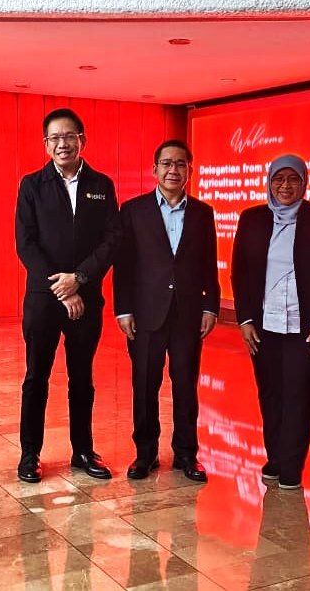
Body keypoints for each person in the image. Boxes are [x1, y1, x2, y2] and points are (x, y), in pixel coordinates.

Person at [15, 108, 121, 483]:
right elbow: (26, 244)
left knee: (82, 379)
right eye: (55, 138)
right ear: (46, 144)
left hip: (86, 299)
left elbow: (111, 240)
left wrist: (79, 279)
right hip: (44, 300)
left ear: (82, 140)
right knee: (36, 378)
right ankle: (30, 454)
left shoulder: (101, 184)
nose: (63, 144)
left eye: (69, 136)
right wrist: (62, 288)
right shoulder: (32, 185)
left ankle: (83, 451)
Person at [231, 153, 310, 490]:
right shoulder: (252, 219)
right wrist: (245, 318)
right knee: (270, 392)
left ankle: (293, 465)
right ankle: (276, 458)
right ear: (269, 182)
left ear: (304, 182)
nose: (285, 185)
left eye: (293, 178)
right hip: (263, 325)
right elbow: (240, 271)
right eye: (278, 179)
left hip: (308, 328)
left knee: (299, 392)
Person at [114, 139, 220, 483]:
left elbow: (208, 263)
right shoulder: (133, 210)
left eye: (180, 164)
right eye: (166, 163)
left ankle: (186, 454)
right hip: (146, 313)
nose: (173, 170)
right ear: (155, 169)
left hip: (188, 313)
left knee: (185, 384)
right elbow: (124, 265)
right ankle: (145, 453)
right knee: (145, 383)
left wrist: (211, 305)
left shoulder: (203, 213)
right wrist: (123, 309)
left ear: (190, 170)